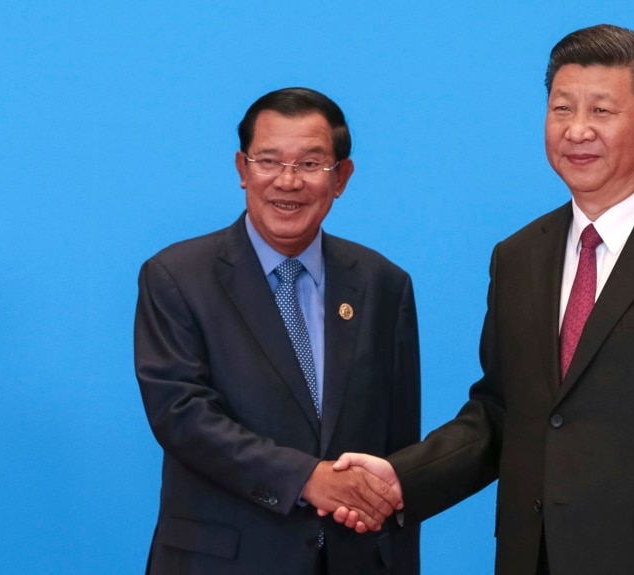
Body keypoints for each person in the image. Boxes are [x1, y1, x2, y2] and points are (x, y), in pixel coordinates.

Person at [332, 24, 634, 574]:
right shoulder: (519, 255)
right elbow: (501, 413)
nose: (576, 131)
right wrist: (402, 478)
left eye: (601, 111)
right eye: (561, 109)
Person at [134, 87, 420, 575]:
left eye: (311, 164)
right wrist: (307, 478)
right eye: (269, 161)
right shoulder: (176, 277)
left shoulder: (382, 284)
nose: (288, 182)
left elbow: (397, 446)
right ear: (243, 170)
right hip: (221, 561)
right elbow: (182, 416)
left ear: (341, 178)